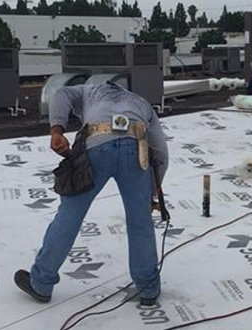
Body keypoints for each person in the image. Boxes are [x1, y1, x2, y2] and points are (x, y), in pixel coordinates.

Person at [14, 82, 169, 306]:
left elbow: (60, 94)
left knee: (69, 216)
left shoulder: (89, 89)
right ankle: (148, 289)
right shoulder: (142, 103)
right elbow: (161, 151)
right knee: (140, 221)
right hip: (136, 149)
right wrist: (153, 190)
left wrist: (57, 130)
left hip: (97, 143)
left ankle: (41, 283)